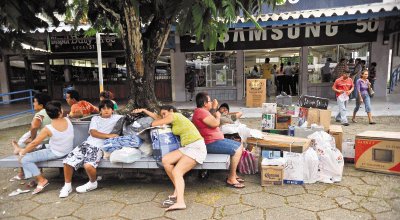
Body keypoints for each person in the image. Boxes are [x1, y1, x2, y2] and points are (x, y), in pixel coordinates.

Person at [132, 105, 206, 211]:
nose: (163, 116)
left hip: (196, 147)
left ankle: (180, 202)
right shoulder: (171, 119)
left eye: (164, 113)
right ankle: (178, 190)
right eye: (162, 114)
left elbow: (157, 122)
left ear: (171, 111)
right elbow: (158, 118)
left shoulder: (175, 115)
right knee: (166, 160)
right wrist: (145, 110)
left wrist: (147, 125)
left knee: (177, 172)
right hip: (186, 147)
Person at [59, 100, 122, 198]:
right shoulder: (95, 119)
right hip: (87, 144)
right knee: (67, 162)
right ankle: (67, 186)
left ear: (112, 110)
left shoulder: (118, 118)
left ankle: (93, 182)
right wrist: (109, 136)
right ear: (100, 110)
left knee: (88, 165)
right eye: (103, 108)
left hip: (99, 147)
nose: (106, 111)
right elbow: (93, 133)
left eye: (109, 108)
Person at [12, 101, 74, 194]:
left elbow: (34, 143)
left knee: (24, 159)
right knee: (38, 147)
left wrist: (23, 153)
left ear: (48, 114)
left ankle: (41, 180)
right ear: (60, 111)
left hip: (56, 152)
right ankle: (19, 150)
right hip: (66, 149)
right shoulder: (67, 120)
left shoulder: (48, 128)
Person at [192, 92, 245, 188]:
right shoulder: (201, 112)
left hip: (214, 140)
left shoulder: (202, 112)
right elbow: (215, 123)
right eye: (209, 101)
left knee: (239, 145)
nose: (211, 102)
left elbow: (211, 120)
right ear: (204, 103)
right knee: (237, 149)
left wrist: (215, 109)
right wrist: (218, 116)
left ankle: (233, 175)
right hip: (210, 142)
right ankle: (231, 178)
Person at [9, 93, 52, 182]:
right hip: (49, 141)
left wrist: (33, 139)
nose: (33, 104)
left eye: (35, 102)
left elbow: (33, 127)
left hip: (42, 142)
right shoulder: (51, 111)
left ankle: (22, 173)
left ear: (41, 105)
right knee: (26, 145)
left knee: (23, 147)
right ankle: (26, 172)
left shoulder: (40, 114)